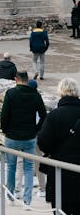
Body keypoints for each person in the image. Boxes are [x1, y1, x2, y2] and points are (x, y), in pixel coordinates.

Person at [0, 70, 47, 208]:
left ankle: (10, 194)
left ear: (16, 79)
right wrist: (36, 129)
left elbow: (4, 115)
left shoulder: (11, 93)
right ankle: (27, 200)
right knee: (28, 168)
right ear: (27, 79)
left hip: (12, 136)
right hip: (29, 136)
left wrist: (5, 130)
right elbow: (43, 115)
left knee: (12, 166)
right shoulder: (35, 95)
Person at [38, 77, 80, 215]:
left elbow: (43, 142)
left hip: (60, 170)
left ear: (61, 92)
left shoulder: (55, 115)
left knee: (60, 209)